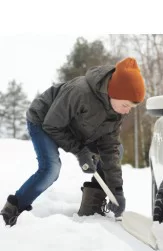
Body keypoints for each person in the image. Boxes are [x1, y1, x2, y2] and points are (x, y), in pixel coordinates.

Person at [0, 57, 146, 226]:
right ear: (114, 92)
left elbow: (109, 148)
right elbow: (52, 125)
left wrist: (117, 191)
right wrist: (81, 151)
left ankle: (91, 207)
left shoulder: (116, 112)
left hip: (76, 128)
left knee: (116, 151)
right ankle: (12, 210)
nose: (127, 111)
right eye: (126, 105)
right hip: (44, 121)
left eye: (131, 108)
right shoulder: (80, 92)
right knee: (50, 169)